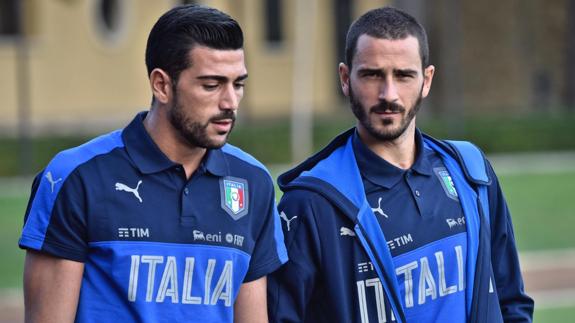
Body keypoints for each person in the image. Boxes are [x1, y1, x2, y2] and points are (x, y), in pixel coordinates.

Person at [19, 4, 287, 322]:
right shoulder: (76, 177)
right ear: (161, 85)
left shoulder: (252, 181)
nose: (230, 102)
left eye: (238, 84)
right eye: (211, 85)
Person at [268, 6, 533, 323]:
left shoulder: (470, 173)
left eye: (404, 75)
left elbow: (511, 301)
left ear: (426, 80)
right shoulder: (310, 204)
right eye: (372, 74)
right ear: (345, 78)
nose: (388, 94)